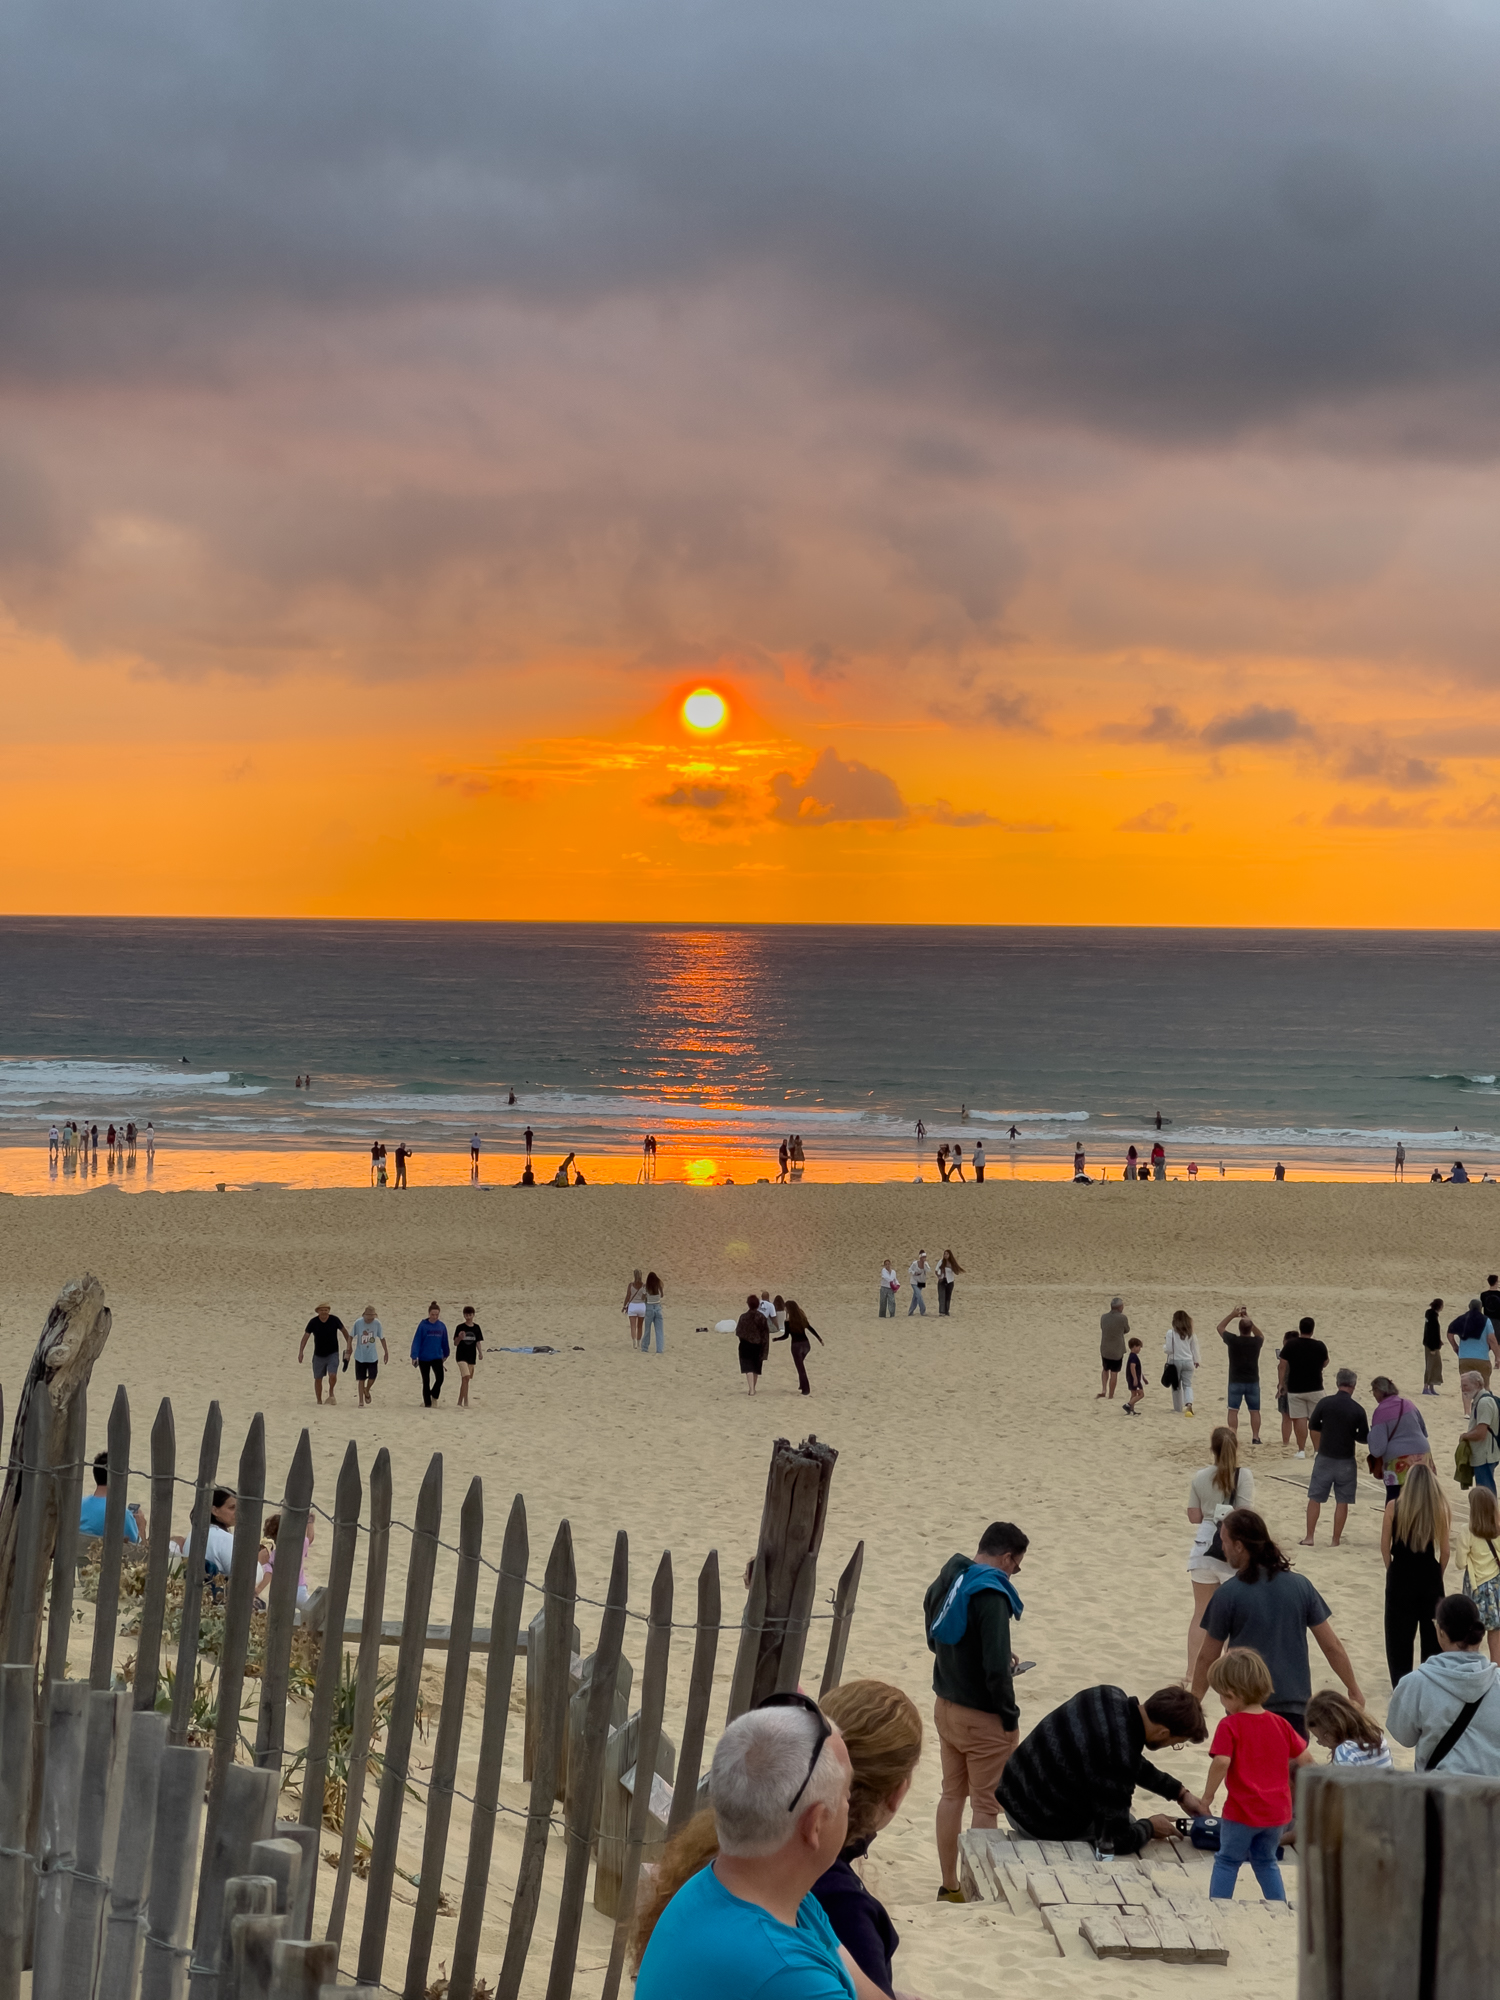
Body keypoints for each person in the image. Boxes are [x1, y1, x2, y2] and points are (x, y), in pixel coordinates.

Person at [633, 1682, 923, 1999]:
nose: (850, 1805)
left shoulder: (758, 1894)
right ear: (815, 1825)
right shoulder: (790, 1973)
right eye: (846, 1795)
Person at [924, 1522, 1028, 1899]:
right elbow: (996, 1672)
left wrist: (984, 1651)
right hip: (982, 1717)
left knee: (952, 1795)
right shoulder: (991, 1592)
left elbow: (936, 1636)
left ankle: (949, 1884)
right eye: (1017, 1566)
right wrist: (1009, 1716)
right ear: (1007, 1558)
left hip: (945, 1706)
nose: (1014, 1572)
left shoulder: (950, 1578)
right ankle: (978, 1890)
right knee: (986, 1805)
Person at [1192, 1510, 1365, 1734]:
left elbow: (1207, 1656)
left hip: (1245, 1707)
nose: (1221, 1548)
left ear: (1239, 1546)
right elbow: (1332, 1646)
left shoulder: (1227, 1594)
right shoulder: (1301, 1586)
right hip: (1295, 1707)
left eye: (1224, 1541)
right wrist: (1353, 1689)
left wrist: (1194, 1702)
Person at [998, 1684, 1208, 1856]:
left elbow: (1127, 1759)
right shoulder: (1117, 1756)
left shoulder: (1108, 1694)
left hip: (1014, 1789)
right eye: (1175, 1743)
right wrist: (1151, 1827)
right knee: (1131, 1829)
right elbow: (1116, 1840)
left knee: (1120, 1816)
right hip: (1033, 1819)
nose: (1171, 1746)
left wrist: (1179, 1793)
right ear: (1163, 1732)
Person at [1200, 1649, 1311, 1904]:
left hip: (1242, 1812)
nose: (1222, 1702)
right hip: (1277, 1813)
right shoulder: (1281, 1724)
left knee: (1227, 1860)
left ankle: (1219, 1906)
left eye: (1221, 1696)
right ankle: (1278, 1905)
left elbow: (1222, 1761)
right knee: (1266, 1861)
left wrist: (1207, 1797)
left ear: (1232, 1694)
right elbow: (1306, 1760)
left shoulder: (1229, 1725)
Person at [1386, 1594, 1500, 1775]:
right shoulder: (1497, 1681)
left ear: (1441, 1632)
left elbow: (1404, 1737)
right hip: (1490, 1790)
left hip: (1440, 1788)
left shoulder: (1417, 1683)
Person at [1185, 1427, 1254, 1678]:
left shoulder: (1200, 1476)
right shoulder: (1243, 1475)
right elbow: (1245, 1513)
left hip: (1204, 1546)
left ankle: (1192, 1671)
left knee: (1201, 1613)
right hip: (1230, 1550)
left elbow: (1194, 1516)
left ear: (1212, 1449)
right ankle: (1232, 1673)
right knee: (1235, 1616)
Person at [1382, 1460, 1449, 1685]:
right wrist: (1438, 1575)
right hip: (1429, 1575)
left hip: (1401, 1573)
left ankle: (1401, 1687)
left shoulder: (1394, 1506)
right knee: (1432, 1641)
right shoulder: (1439, 1509)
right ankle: (1429, 1687)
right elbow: (1445, 1552)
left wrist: (1391, 1570)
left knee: (1398, 1640)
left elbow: (1384, 1547)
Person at [1302, 1369, 1369, 1547]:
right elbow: (1364, 1437)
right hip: (1346, 1459)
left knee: (1315, 1497)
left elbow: (1313, 1425)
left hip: (1325, 1456)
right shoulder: (1358, 1409)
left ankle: (1309, 1537)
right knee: (1342, 1501)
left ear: (1337, 1383)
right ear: (1353, 1385)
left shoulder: (1325, 1403)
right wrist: (1351, 1433)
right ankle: (1335, 1540)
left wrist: (1324, 1436)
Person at [1451, 1485, 1500, 1664]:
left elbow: (1460, 1562)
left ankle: (1474, 1667)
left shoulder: (1467, 1531)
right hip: (1496, 1585)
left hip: (1477, 1587)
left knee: (1474, 1631)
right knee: (1496, 1631)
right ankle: (1497, 1669)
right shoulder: (1498, 1529)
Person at [1366, 1375, 1431, 1501]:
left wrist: (1370, 1435)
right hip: (1423, 1455)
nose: (1373, 1395)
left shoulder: (1380, 1412)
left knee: (1395, 1501)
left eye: (1373, 1391)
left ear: (1378, 1391)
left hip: (1398, 1460)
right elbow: (1424, 1431)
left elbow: (1377, 1449)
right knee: (1421, 1499)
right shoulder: (1408, 1404)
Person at [1276, 1316, 1329, 1457]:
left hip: (1295, 1388)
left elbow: (1282, 1365)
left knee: (1299, 1419)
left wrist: (1281, 1383)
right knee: (1315, 1420)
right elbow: (1325, 1362)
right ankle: (1317, 1451)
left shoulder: (1291, 1345)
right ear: (1312, 1330)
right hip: (1315, 1387)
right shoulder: (1319, 1345)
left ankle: (1301, 1450)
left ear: (1300, 1329)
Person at [1303, 1690, 1392, 1768]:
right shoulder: (1378, 1737)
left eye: (1324, 1736)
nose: (1321, 1743)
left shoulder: (1345, 1752)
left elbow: (1342, 1782)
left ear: (1337, 1726)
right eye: (1317, 1739)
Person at [1216, 1307, 1265, 1442]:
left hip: (1236, 1380)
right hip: (1252, 1380)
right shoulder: (1256, 1342)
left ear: (1239, 1329)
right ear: (1250, 1329)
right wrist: (1249, 1320)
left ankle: (1233, 1435)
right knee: (1254, 1411)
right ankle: (1255, 1437)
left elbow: (1220, 1327)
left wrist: (1232, 1315)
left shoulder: (1233, 1340)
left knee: (1233, 1410)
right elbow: (1260, 1335)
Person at [78, 1451, 143, 1542]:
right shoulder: (123, 1515)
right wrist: (141, 1528)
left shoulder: (77, 1505)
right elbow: (138, 1548)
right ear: (120, 1478)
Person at [259, 1510, 315, 1608]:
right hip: (298, 1590)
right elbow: (310, 1537)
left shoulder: (268, 1553)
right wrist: (310, 1522)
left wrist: (258, 1589)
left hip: (279, 1593)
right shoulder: (299, 1545)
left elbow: (268, 1573)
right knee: (311, 1611)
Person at [298, 1303, 351, 1406]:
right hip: (318, 1355)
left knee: (333, 1374)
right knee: (318, 1378)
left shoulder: (334, 1320)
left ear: (328, 1311)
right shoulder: (313, 1322)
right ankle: (319, 1400)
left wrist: (349, 1346)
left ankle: (331, 1392)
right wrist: (301, 1352)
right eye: (321, 1310)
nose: (324, 1312)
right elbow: (305, 1337)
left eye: (326, 1310)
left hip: (333, 1353)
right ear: (318, 1311)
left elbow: (344, 1332)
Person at [1460, 1369, 1500, 1495]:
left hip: (1485, 1455)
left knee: (1486, 1491)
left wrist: (1464, 1436)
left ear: (1477, 1384)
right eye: (1461, 1386)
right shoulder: (1481, 1400)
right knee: (1485, 1490)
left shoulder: (1484, 1402)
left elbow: (1481, 1433)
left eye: (1465, 1385)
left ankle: (1490, 1509)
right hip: (1485, 1453)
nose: (1463, 1389)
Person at [775, 1300, 823, 1395]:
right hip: (806, 1345)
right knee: (800, 1365)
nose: (785, 1309)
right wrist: (819, 1338)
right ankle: (801, 1385)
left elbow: (786, 1336)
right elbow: (810, 1328)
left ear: (788, 1309)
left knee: (800, 1368)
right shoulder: (801, 1318)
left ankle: (806, 1389)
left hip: (796, 1346)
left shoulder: (787, 1321)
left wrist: (777, 1339)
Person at [1448, 1299, 1497, 1387]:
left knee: (1467, 1388)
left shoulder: (1461, 1319)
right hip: (1482, 1359)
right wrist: (1497, 1356)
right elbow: (1492, 1340)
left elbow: (1450, 1334)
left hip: (1464, 1358)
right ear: (1481, 1308)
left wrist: (1455, 1346)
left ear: (1469, 1307)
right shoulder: (1486, 1320)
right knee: (1484, 1387)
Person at [411, 1301, 450, 1406]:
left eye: (437, 1314)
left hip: (437, 1356)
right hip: (424, 1357)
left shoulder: (441, 1326)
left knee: (440, 1378)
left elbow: (444, 1341)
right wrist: (414, 1356)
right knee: (426, 1381)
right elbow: (417, 1340)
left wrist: (446, 1353)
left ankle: (434, 1396)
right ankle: (427, 1404)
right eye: (433, 1314)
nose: (435, 1317)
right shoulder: (423, 1325)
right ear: (429, 1313)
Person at [1164, 1309, 1200, 1416]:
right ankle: (1189, 1403)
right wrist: (1196, 1360)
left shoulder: (1170, 1333)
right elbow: (1194, 1348)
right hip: (1188, 1361)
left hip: (1175, 1361)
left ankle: (1177, 1408)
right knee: (1187, 1385)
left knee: (1176, 1385)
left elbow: (1169, 1349)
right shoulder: (1190, 1333)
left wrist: (1164, 1347)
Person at [350, 1305, 388, 1406]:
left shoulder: (377, 1323)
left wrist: (386, 1352)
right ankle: (361, 1401)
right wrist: (349, 1348)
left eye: (372, 1317)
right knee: (361, 1379)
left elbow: (382, 1338)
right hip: (360, 1356)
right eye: (369, 1316)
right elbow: (351, 1336)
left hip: (372, 1356)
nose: (370, 1319)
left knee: (373, 1376)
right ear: (364, 1315)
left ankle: (366, 1390)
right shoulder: (358, 1323)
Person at [736, 1294, 769, 1396]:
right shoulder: (761, 1317)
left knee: (748, 1368)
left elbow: (738, 1332)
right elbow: (765, 1335)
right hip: (757, 1345)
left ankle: (751, 1389)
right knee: (755, 1367)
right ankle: (753, 1388)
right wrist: (765, 1349)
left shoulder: (743, 1317)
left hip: (745, 1344)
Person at [1098, 1296, 1129, 1401]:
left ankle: (1104, 1389)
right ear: (1120, 1307)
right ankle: (1111, 1395)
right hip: (1117, 1349)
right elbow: (1127, 1329)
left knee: (1105, 1369)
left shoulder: (1104, 1317)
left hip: (1105, 1347)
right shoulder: (1122, 1318)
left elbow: (1102, 1327)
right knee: (1114, 1372)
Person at [454, 1305, 485, 1405]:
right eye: (466, 1315)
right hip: (461, 1356)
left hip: (471, 1357)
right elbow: (455, 1343)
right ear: (464, 1315)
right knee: (466, 1376)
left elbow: (478, 1342)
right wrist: (460, 1337)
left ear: (473, 1315)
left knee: (465, 1380)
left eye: (470, 1315)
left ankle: (460, 1401)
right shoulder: (460, 1327)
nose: (468, 1317)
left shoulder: (476, 1328)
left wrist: (480, 1353)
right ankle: (465, 1401)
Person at [1422, 1297, 1445, 1394]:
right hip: (1431, 1346)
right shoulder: (1433, 1317)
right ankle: (1426, 1387)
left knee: (1436, 1365)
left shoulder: (1430, 1314)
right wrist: (1433, 1347)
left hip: (1431, 1344)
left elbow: (1431, 1332)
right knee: (1430, 1366)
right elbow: (1432, 1332)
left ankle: (1431, 1387)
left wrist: (1438, 1341)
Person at [641, 1271, 665, 1354]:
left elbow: (642, 1298)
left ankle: (645, 1347)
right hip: (658, 1307)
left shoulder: (646, 1287)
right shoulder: (658, 1286)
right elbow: (662, 1295)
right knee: (659, 1330)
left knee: (647, 1329)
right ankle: (659, 1349)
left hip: (649, 1308)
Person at [623, 1269, 648, 1349]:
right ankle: (639, 1342)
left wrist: (624, 1306)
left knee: (633, 1326)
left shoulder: (631, 1285)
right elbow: (645, 1297)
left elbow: (628, 1296)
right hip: (641, 1306)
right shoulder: (644, 1285)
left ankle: (634, 1343)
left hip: (633, 1305)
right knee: (640, 1326)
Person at [936, 1250, 962, 1318]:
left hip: (950, 1281)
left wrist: (952, 1267)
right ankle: (941, 1311)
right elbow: (936, 1270)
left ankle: (946, 1311)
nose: (945, 1255)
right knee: (941, 1296)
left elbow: (957, 1272)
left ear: (950, 1255)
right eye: (945, 1254)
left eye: (947, 1254)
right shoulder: (941, 1261)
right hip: (942, 1280)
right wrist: (939, 1276)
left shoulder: (952, 1263)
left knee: (948, 1297)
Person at [1124, 1338, 1145, 1415]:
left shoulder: (1132, 1356)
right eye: (1139, 1347)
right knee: (1141, 1394)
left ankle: (1131, 1410)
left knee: (1134, 1394)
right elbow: (1132, 1367)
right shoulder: (1133, 1357)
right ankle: (1128, 1405)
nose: (1140, 1349)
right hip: (1134, 1378)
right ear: (1134, 1347)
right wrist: (1135, 1378)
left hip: (1131, 1377)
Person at [906, 1252, 930, 1317]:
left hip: (921, 1281)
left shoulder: (926, 1264)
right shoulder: (915, 1263)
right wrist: (914, 1273)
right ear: (920, 1257)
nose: (924, 1258)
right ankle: (923, 1310)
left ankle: (910, 1311)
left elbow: (929, 1270)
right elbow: (909, 1270)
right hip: (914, 1282)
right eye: (923, 1257)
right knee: (919, 1295)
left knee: (915, 1297)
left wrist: (924, 1265)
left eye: (925, 1257)